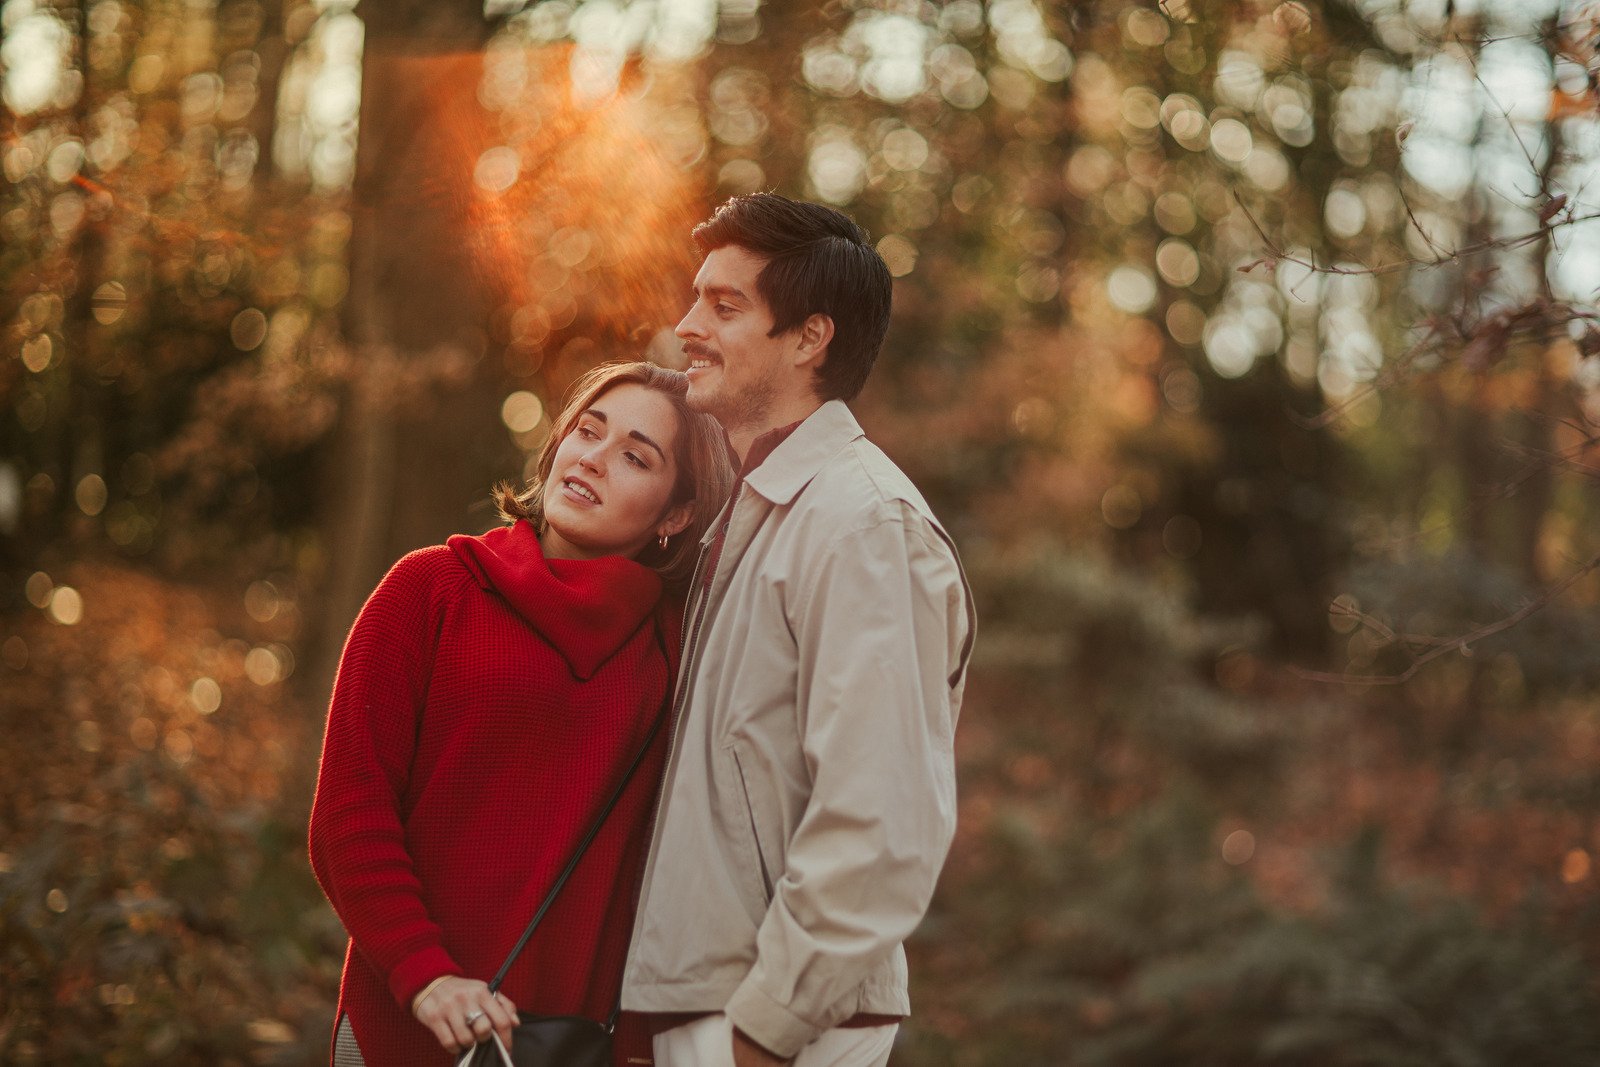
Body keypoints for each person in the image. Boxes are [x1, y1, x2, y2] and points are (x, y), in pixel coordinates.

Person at [620, 194, 977, 1066]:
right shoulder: (757, 511)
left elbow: (881, 820)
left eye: (724, 305)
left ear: (810, 338)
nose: (685, 325)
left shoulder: (864, 525)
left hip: (774, 1027)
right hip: (706, 1008)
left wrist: (758, 1035)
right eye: (694, 297)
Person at [309, 361, 734, 1067]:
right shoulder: (429, 591)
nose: (594, 458)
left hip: (563, 1048)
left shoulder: (680, 652)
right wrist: (427, 974)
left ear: (677, 513)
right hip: (407, 1028)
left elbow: (665, 877)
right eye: (587, 431)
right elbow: (349, 816)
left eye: (635, 455)